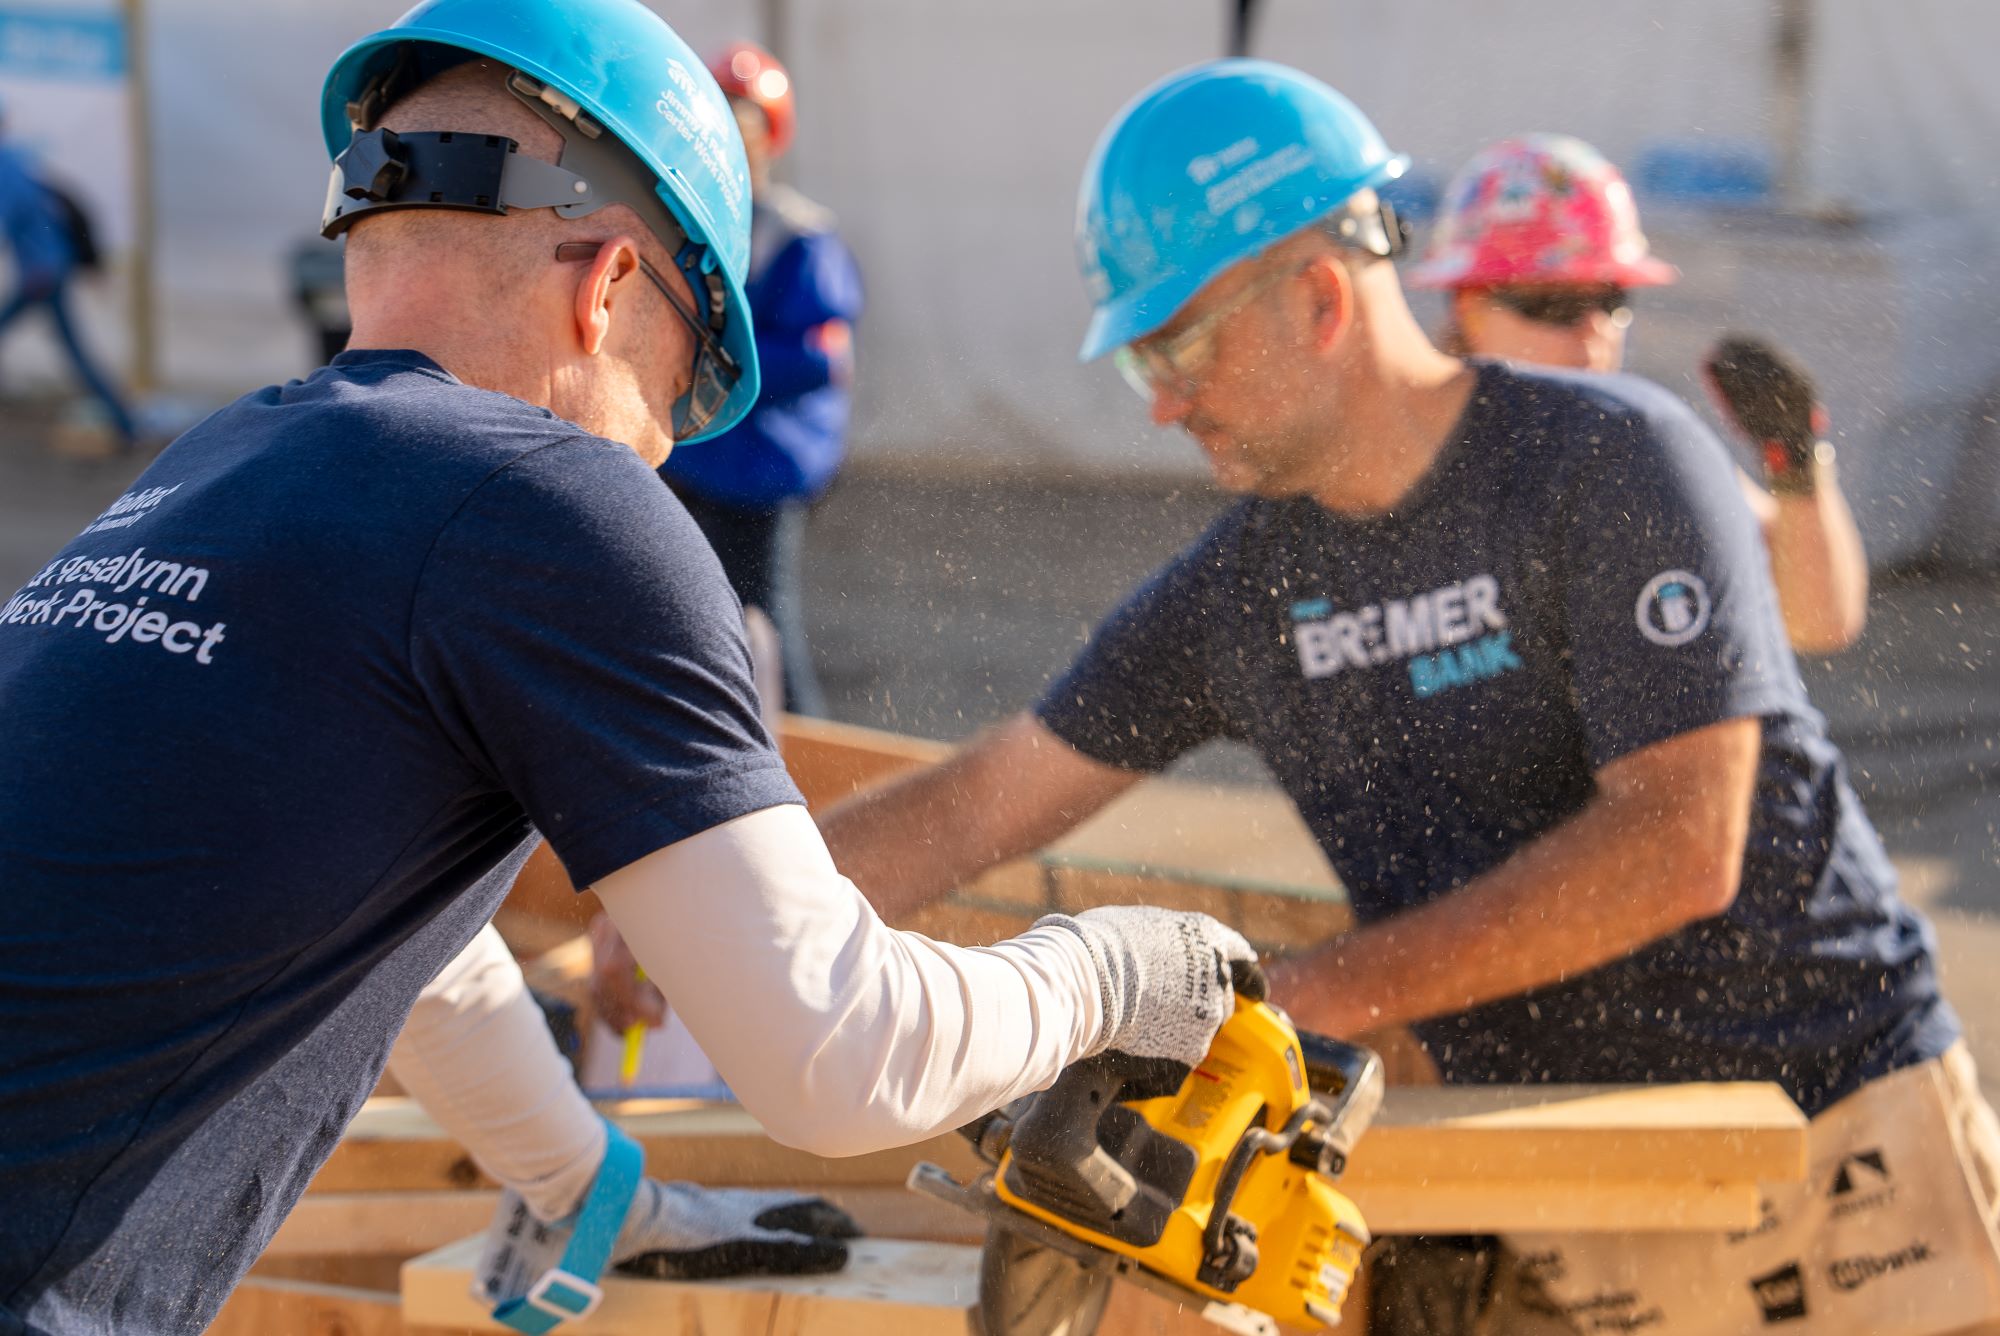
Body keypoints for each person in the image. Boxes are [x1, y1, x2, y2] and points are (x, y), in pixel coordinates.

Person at [595, 60, 2000, 1335]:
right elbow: (983, 802)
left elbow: (1679, 846)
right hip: (1537, 1160)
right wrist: (715, 908)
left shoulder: (1611, 463)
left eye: (1176, 351)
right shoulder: (1244, 591)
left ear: (1322, 301)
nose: (1159, 402)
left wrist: (1286, 1005)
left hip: (1835, 1136)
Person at [0, 2, 1257, 1330]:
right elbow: (840, 1053)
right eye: (675, 390)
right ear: (607, 287)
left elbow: (395, 937)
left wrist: (586, 1182)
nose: (658, 452)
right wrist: (1114, 971)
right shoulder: (550, 498)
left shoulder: (217, 468)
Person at [1407, 134, 1868, 655]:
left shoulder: (1643, 449)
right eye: (1553, 305)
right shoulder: (1399, 460)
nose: (1593, 330)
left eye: (1610, 300)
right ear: (1468, 305)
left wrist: (1795, 460)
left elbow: (1818, 622)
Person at [658, 42, 862, 717]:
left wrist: (702, 358)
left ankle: (805, 761)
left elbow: (821, 357)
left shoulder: (800, 237)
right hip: (691, 455)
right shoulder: (685, 224)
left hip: (757, 469)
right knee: (683, 612)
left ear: (772, 136)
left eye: (751, 128)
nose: (739, 146)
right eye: (725, 125)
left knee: (763, 617)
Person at [0, 108, 137, 450]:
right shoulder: (17, 160)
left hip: (41, 273)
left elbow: (11, 214)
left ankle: (126, 423)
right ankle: (124, 422)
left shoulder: (6, 165)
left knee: (75, 351)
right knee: (74, 349)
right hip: (49, 268)